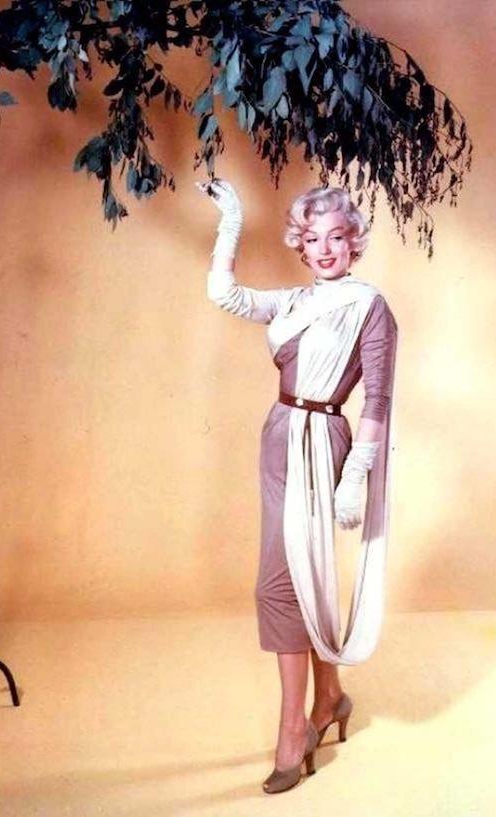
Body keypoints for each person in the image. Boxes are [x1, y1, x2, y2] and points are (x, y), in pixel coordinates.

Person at [195, 178, 398, 794]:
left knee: (280, 582)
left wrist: (355, 476)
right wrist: (232, 221)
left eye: (337, 237)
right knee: (299, 575)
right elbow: (225, 295)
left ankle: (293, 730)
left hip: (325, 441)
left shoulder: (369, 306)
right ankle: (329, 696)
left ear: (353, 242)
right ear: (300, 246)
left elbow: (378, 400)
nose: (325, 249)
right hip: (279, 434)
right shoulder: (290, 302)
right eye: (313, 239)